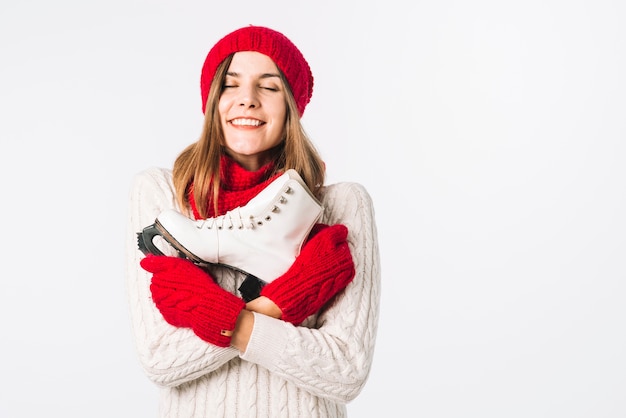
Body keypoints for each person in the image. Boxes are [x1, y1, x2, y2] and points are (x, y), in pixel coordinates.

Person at [125, 25, 381, 417]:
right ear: (213, 101)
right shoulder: (165, 197)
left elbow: (346, 370)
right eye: (230, 85)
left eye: (270, 87)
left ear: (291, 107)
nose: (248, 100)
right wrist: (285, 299)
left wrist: (217, 314)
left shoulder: (340, 206)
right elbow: (162, 358)